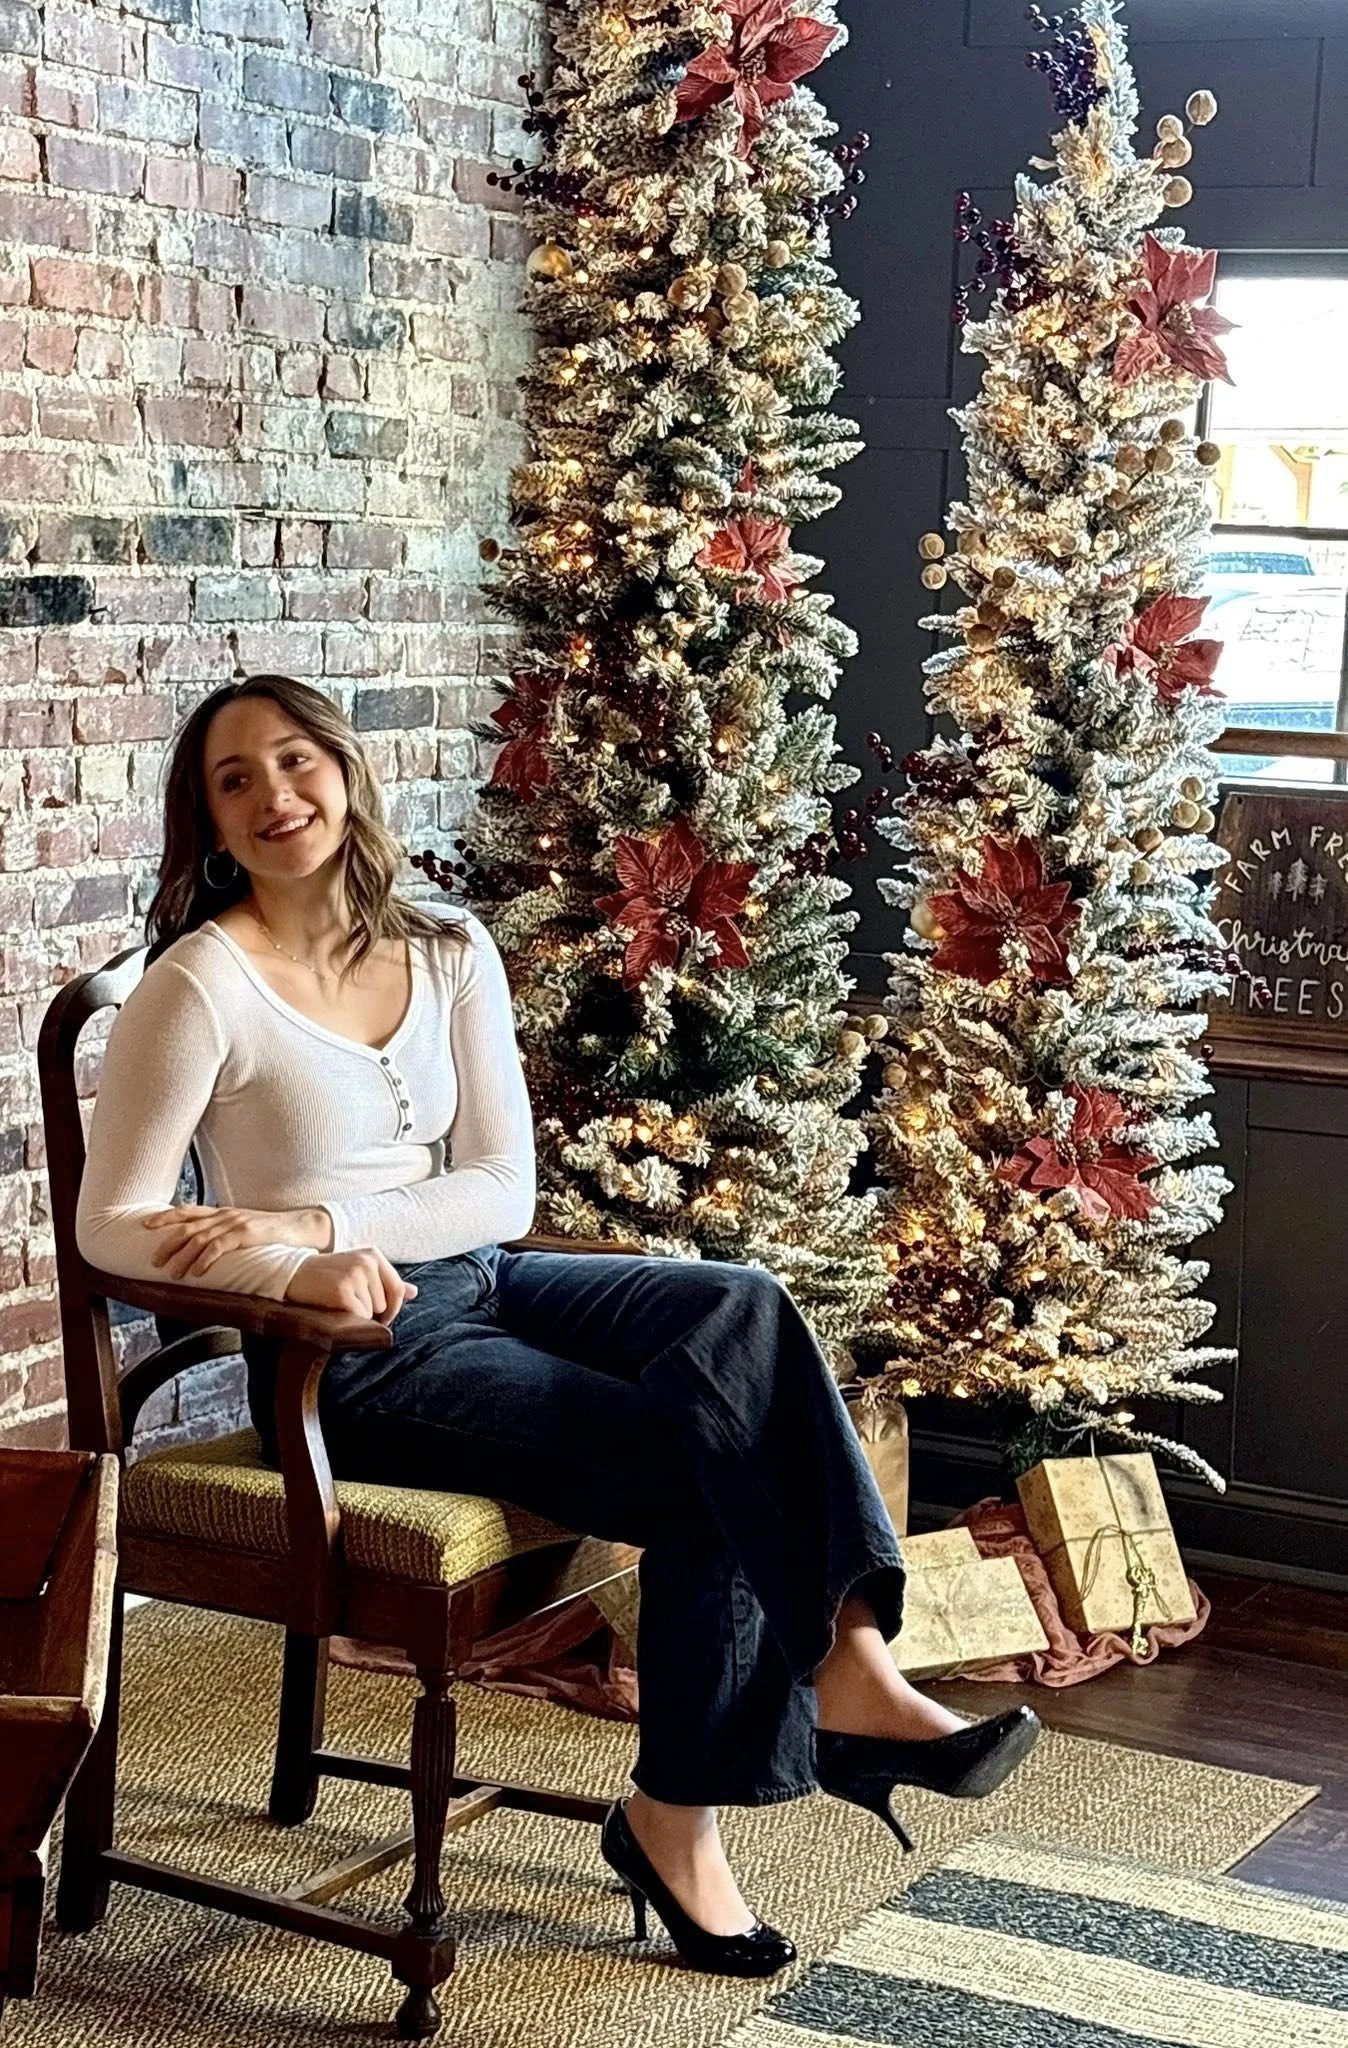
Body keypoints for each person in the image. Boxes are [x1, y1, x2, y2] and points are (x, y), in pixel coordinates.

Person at [76, 674, 1040, 1979]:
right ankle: (681, 1826)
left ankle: (850, 1655)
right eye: (232, 781)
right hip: (358, 1356)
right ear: (209, 823)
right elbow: (110, 1226)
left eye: (294, 761)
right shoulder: (200, 987)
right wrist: (305, 1272)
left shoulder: (444, 948)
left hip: (487, 1277)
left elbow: (501, 1190)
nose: (272, 796)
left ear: (348, 775)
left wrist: (314, 1224)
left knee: (740, 1312)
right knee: (710, 1470)